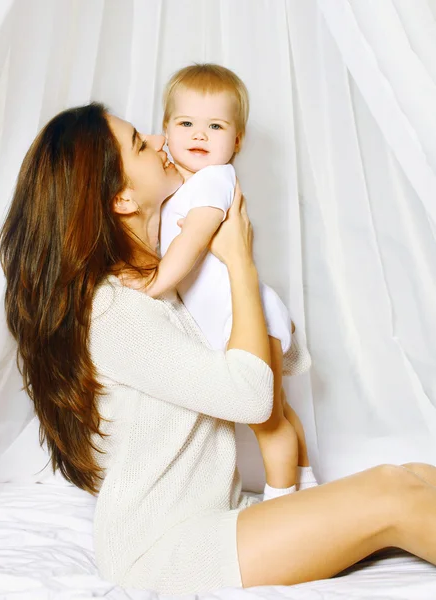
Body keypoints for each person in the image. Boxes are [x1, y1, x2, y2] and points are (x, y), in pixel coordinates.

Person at [0, 102, 436, 596]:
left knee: (415, 474)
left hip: (214, 520)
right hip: (164, 553)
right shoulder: (113, 309)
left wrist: (221, 264)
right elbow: (254, 397)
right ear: (120, 198)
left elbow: (281, 360)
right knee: (394, 494)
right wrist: (238, 259)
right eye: (141, 145)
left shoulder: (162, 282)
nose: (163, 142)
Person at [150, 63, 317, 500]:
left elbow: (193, 242)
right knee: (277, 408)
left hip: (247, 319)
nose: (199, 135)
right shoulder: (177, 185)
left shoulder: (214, 181)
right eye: (186, 123)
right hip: (241, 318)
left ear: (236, 140)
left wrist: (155, 284)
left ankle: (283, 507)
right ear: (166, 130)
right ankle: (307, 479)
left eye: (215, 125)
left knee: (266, 422)